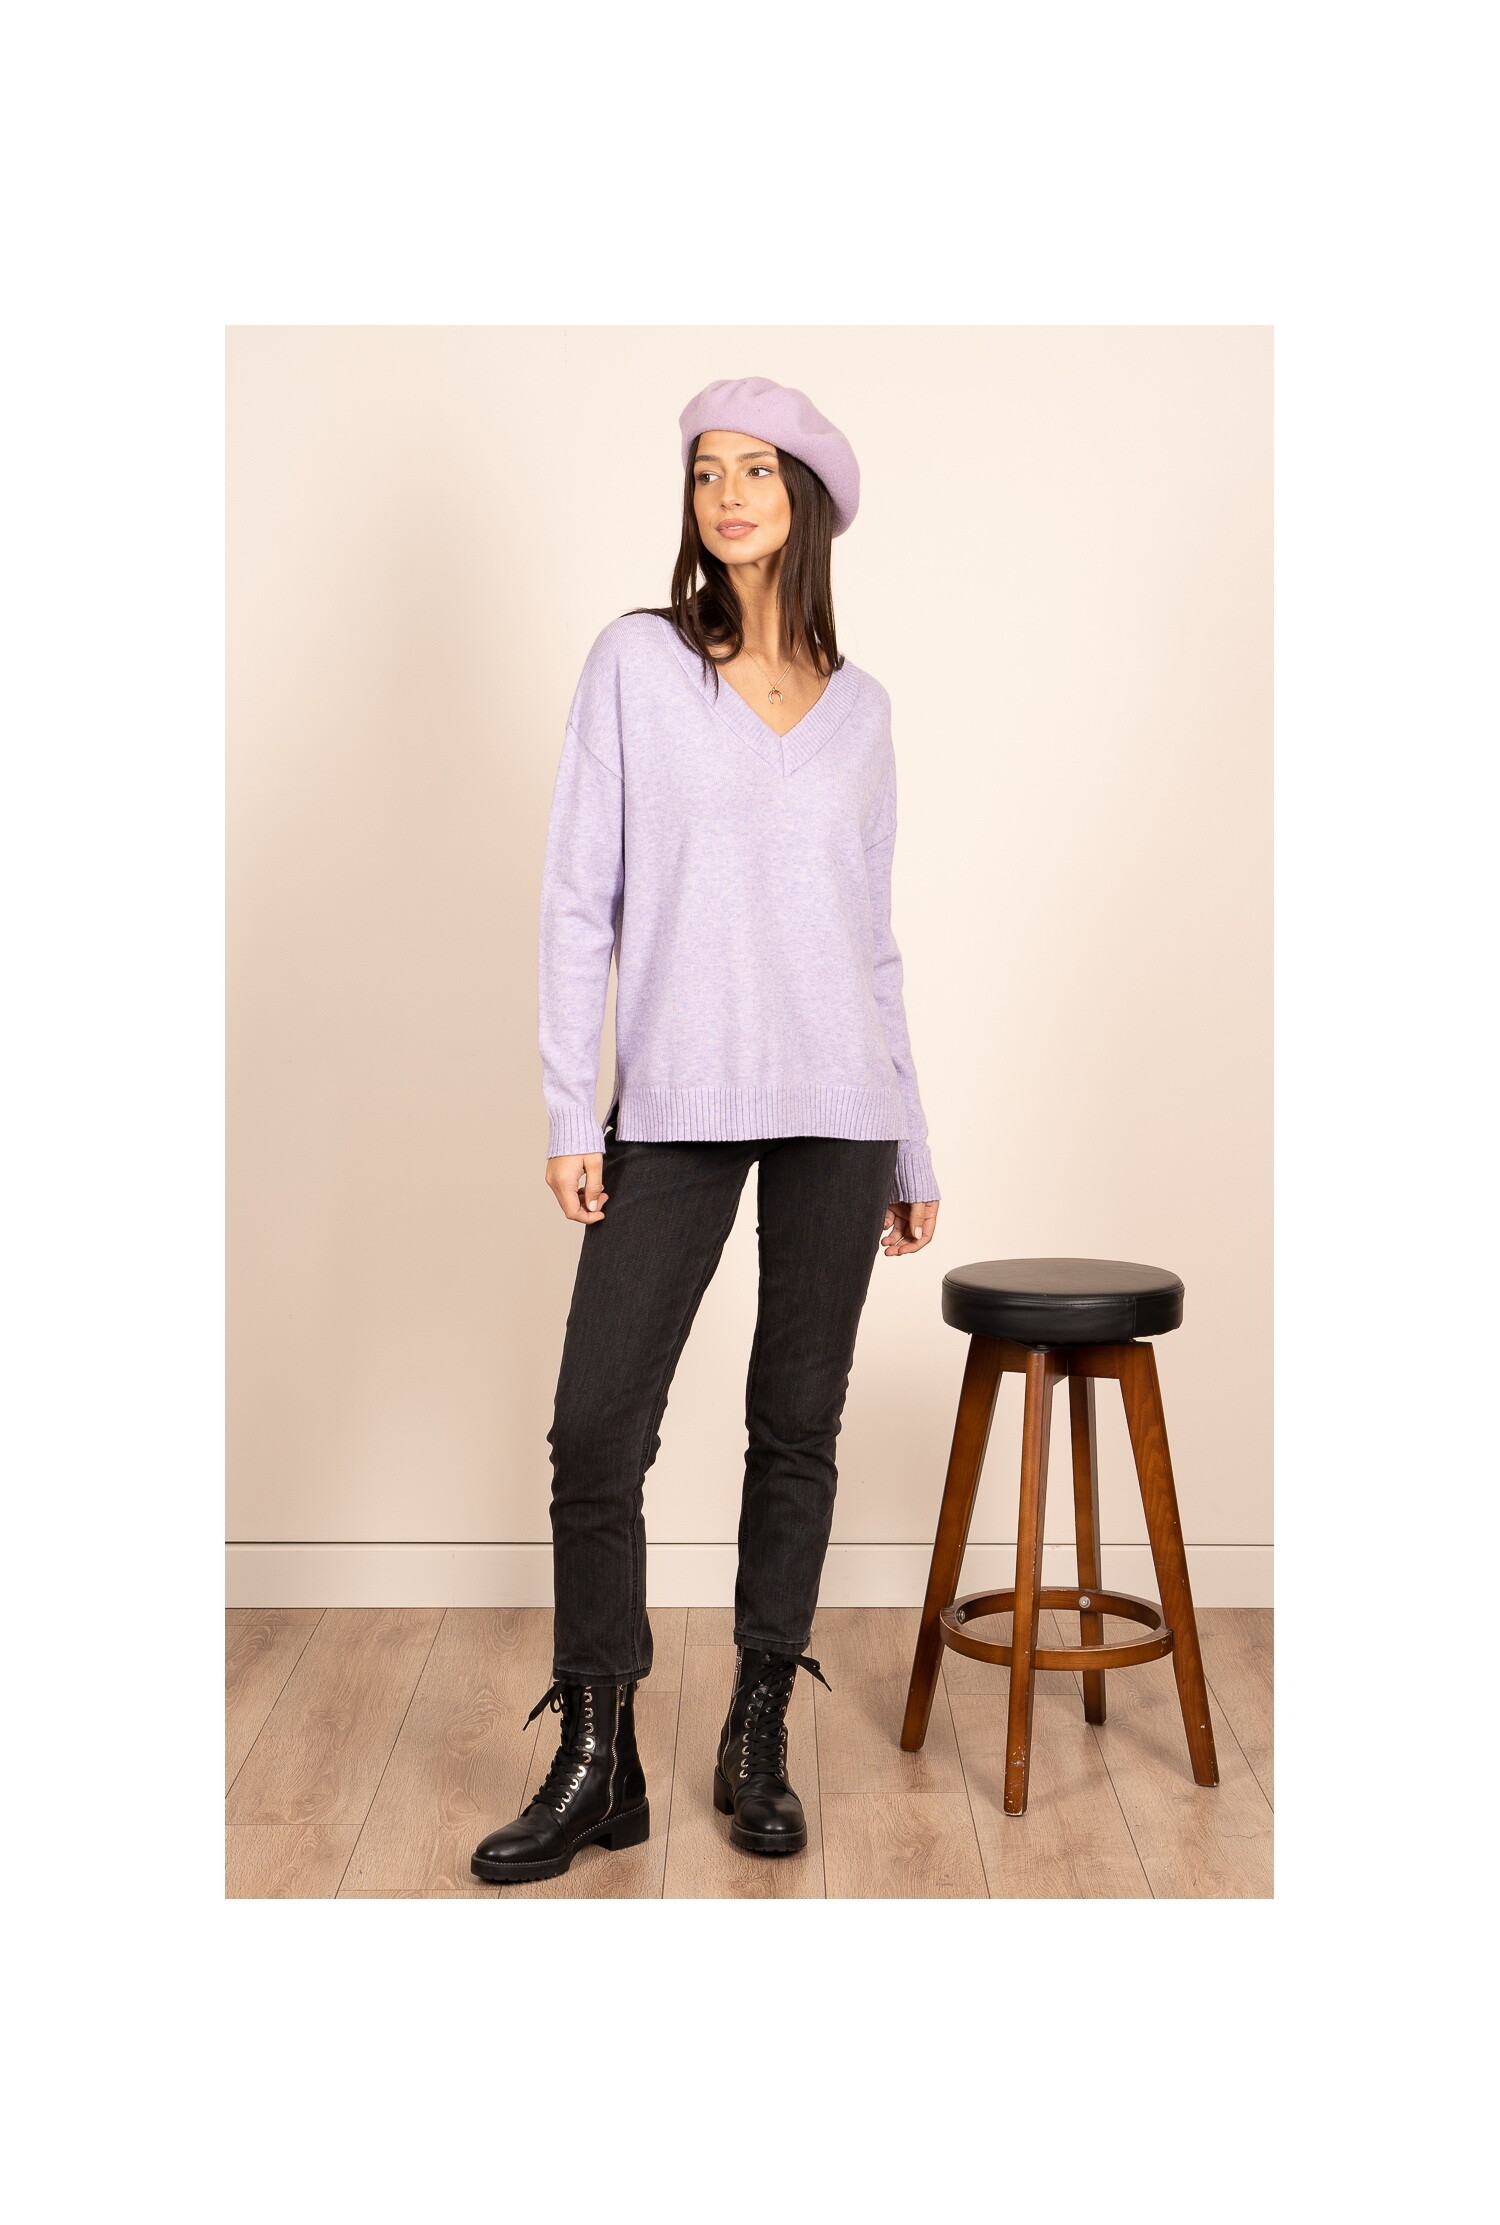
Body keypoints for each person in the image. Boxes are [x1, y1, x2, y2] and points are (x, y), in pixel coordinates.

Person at [472, 376, 941, 1885]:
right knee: (597, 1426)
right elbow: (577, 896)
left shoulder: (865, 715)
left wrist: (913, 1139)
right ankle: (596, 1753)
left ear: (808, 500)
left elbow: (871, 945)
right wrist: (572, 1104)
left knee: (795, 1426)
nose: (727, 495)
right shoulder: (638, 663)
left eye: (757, 471)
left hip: (841, 1107)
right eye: (705, 473)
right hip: (675, 1097)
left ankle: (757, 1729)